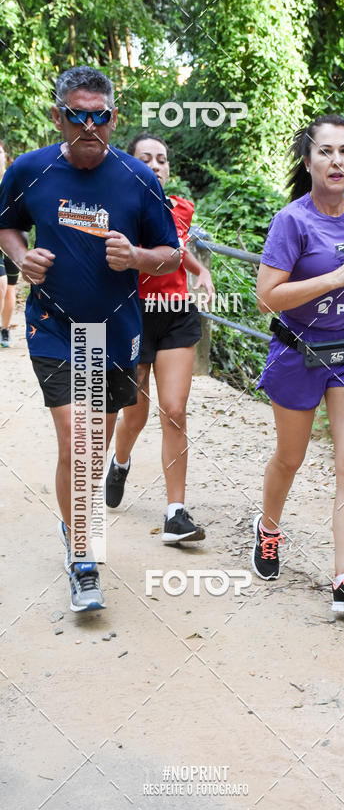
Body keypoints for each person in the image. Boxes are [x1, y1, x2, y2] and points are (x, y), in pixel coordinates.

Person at [0, 66, 180, 612]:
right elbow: (6, 225)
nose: (88, 125)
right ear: (58, 116)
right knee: (77, 443)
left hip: (116, 332)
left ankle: (71, 526)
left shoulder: (138, 178)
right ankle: (83, 557)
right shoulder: (29, 170)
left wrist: (138, 257)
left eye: (99, 115)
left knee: (90, 449)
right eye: (77, 114)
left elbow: (170, 251)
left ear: (113, 119)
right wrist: (20, 257)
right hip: (54, 326)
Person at [252, 114, 344, 613]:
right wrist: (334, 279)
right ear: (308, 161)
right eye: (326, 152)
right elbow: (267, 298)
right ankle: (269, 527)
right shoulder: (292, 220)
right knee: (290, 458)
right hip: (298, 353)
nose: (337, 161)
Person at [105, 134, 214, 544]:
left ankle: (175, 514)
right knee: (135, 412)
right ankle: (121, 461)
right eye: (145, 158)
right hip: (132, 315)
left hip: (174, 314)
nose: (155, 165)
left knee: (174, 410)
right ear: (129, 164)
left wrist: (200, 271)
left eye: (162, 159)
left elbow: (176, 247)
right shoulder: (115, 206)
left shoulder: (181, 208)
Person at [0, 140, 19, 347]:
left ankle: (4, 330)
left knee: (10, 287)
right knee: (1, 283)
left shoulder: (13, 179)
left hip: (13, 238)